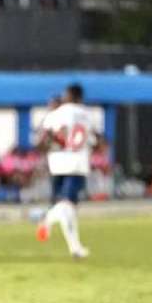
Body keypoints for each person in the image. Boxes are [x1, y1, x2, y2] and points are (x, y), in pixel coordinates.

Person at [35, 83, 100, 259]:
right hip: (77, 164)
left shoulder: (54, 114)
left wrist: (51, 145)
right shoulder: (87, 114)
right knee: (68, 205)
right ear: (80, 97)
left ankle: (75, 248)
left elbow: (41, 141)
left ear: (68, 95)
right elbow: (95, 140)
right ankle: (46, 218)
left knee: (67, 209)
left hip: (56, 164)